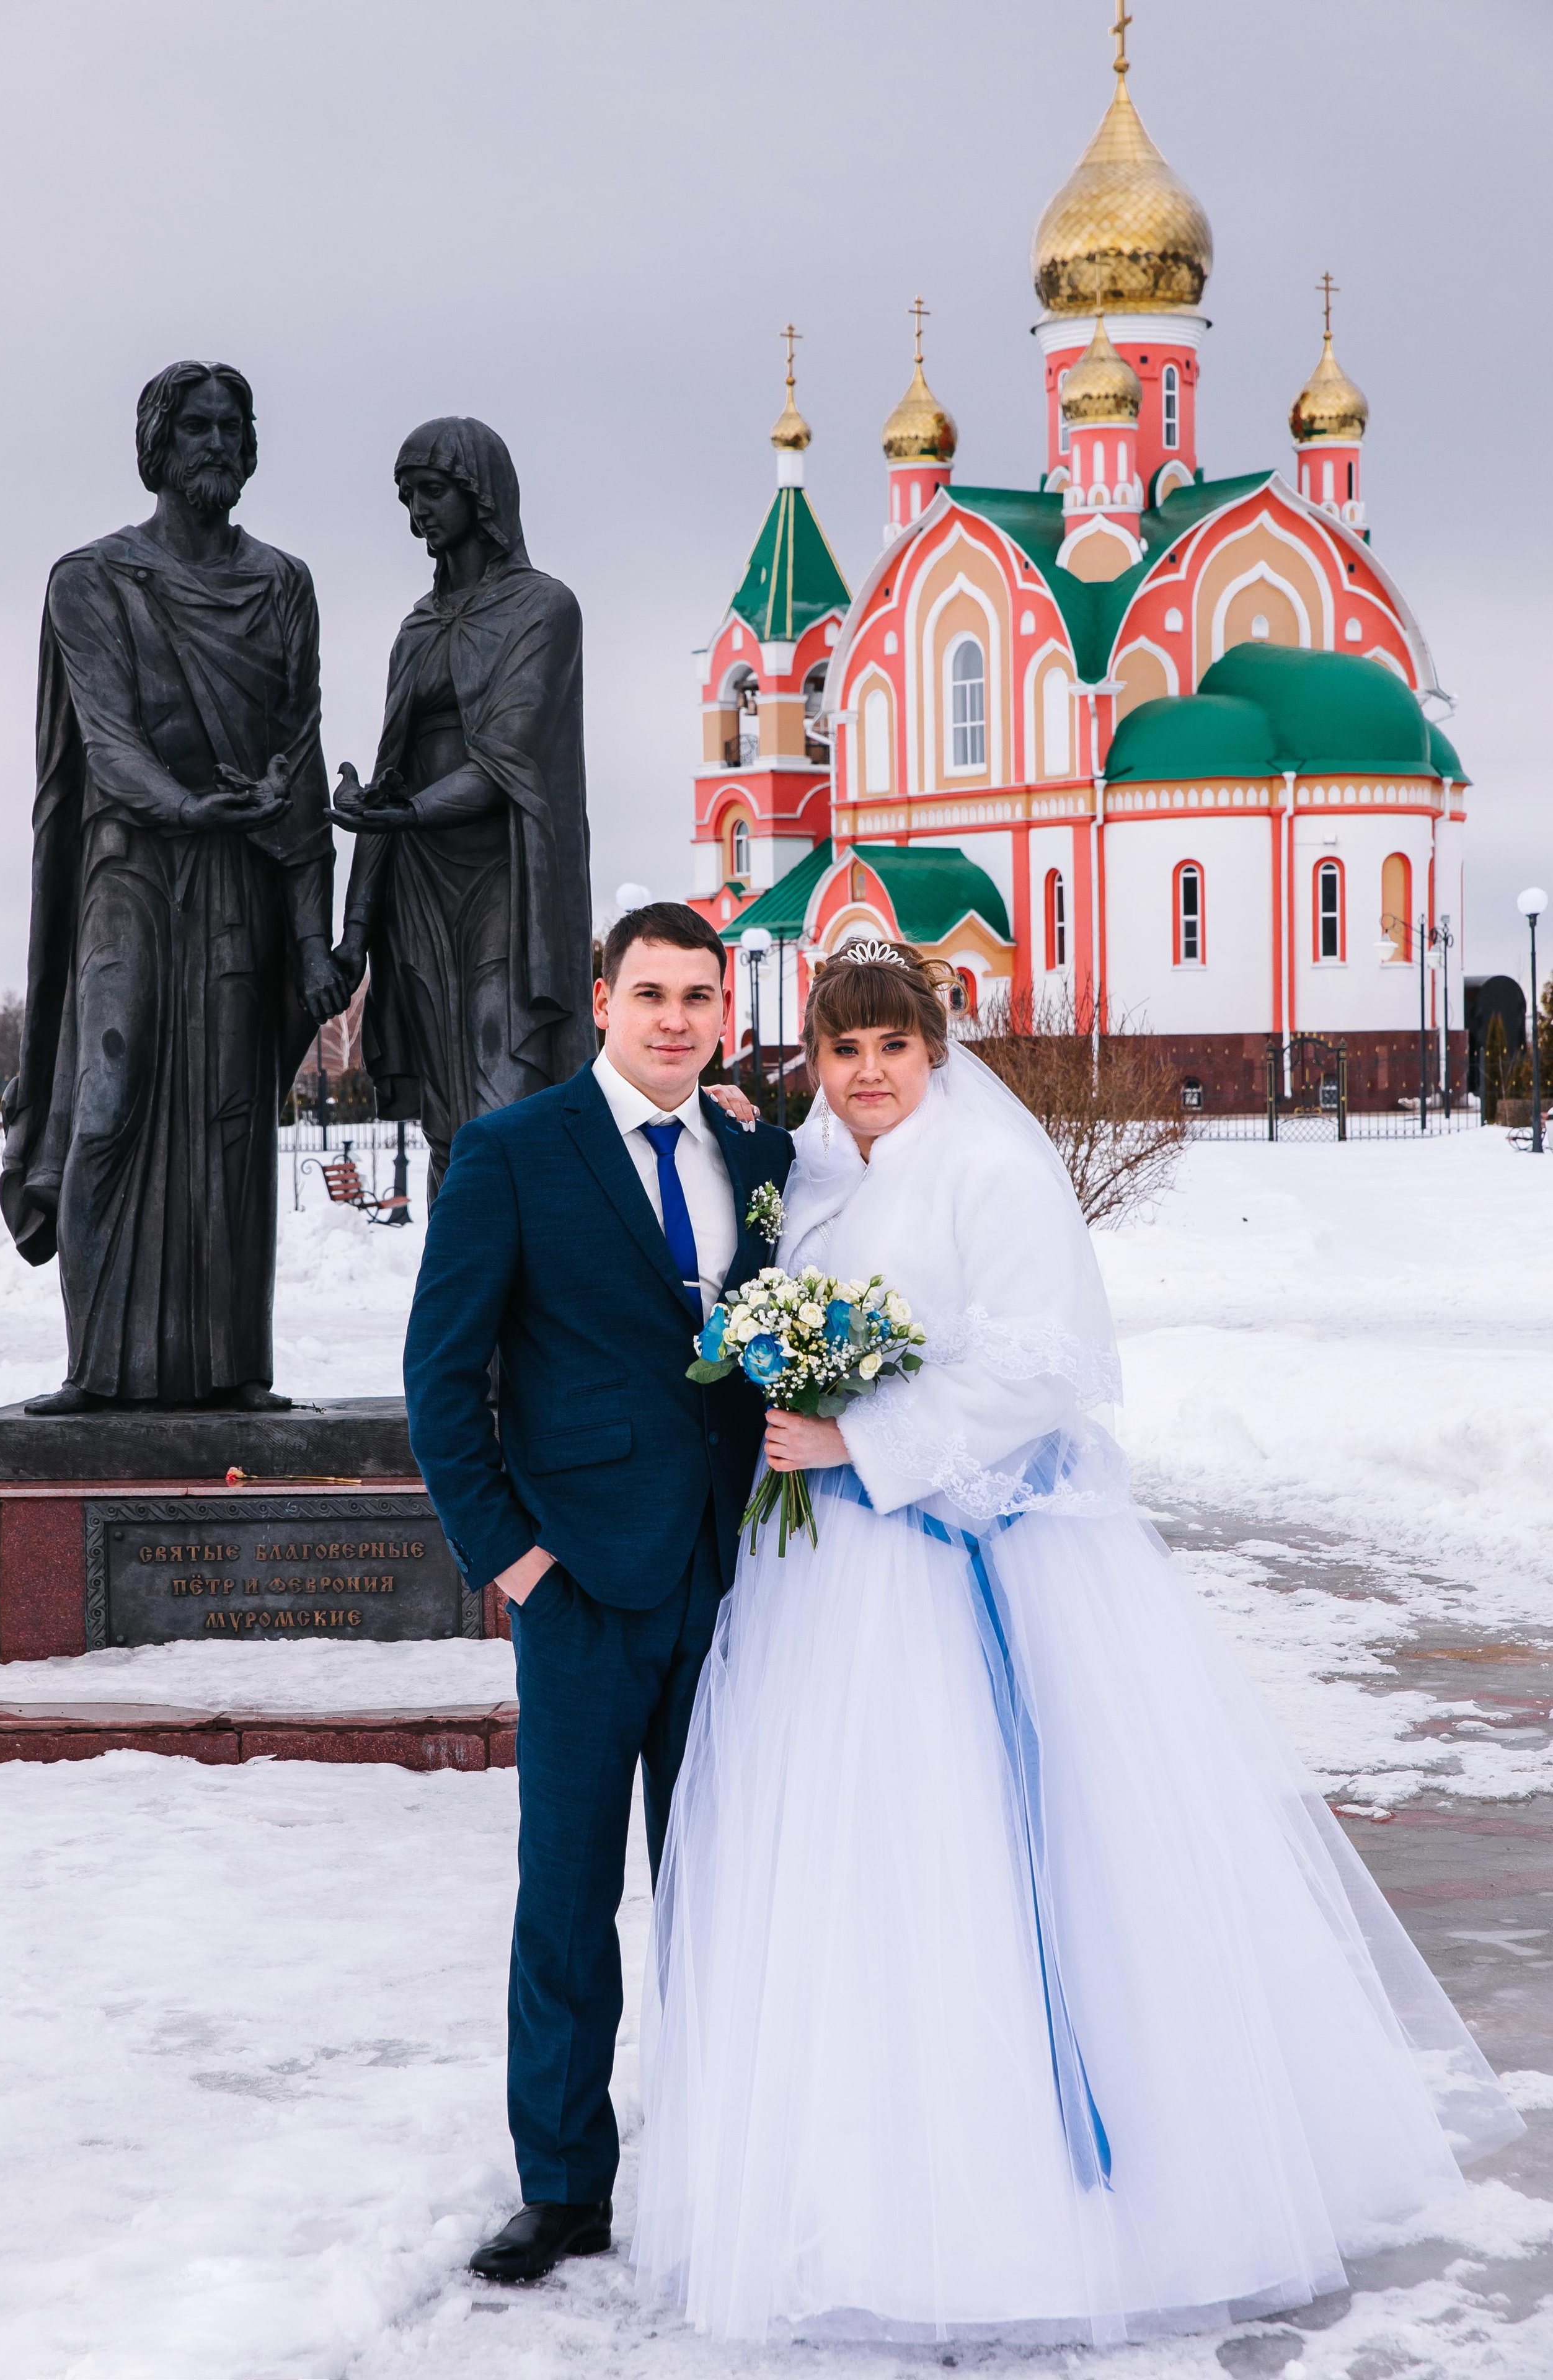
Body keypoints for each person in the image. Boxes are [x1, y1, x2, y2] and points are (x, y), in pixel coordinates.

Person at [632, 940, 1523, 2348]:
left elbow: (1037, 1365)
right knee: (859, 1862)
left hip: (967, 1558)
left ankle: (1040, 2211)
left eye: (892, 1047)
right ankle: (853, 2191)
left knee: (989, 1855)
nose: (867, 1074)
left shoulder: (989, 1169)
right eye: (842, 1049)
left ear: (934, 1051)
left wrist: (864, 1442)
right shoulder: (813, 1169)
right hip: (822, 1584)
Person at [402, 901, 793, 2285]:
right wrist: (513, 1560)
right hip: (579, 1589)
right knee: (568, 1900)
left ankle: (722, 2162)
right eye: (651, 994)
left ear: (724, 1013)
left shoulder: (759, 1154)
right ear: (603, 999)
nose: (675, 1019)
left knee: (723, 1891)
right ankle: (564, 2187)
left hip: (736, 1586)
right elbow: (441, 1380)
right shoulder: (513, 1152)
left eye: (699, 996)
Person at [0, 360, 349, 1411]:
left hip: (240, 882)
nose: (217, 444)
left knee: (234, 1125)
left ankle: (233, 1368)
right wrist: (193, 809)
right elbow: (109, 745)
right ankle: (96, 1368)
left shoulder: (284, 585)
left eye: (232, 427)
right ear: (157, 445)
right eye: (196, 426)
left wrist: (311, 940)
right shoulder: (93, 581)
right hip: (132, 874)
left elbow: (298, 761)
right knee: (106, 1109)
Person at [329, 418, 595, 1197]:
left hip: (504, 882)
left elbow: (507, 757)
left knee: (504, 1092)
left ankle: (521, 1268)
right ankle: (456, 1271)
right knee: (446, 1113)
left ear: (481, 494)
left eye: (432, 490)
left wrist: (404, 812)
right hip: (420, 886)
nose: (418, 510)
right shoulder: (415, 628)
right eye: (407, 496)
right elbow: (393, 768)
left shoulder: (544, 609)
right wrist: (355, 932)